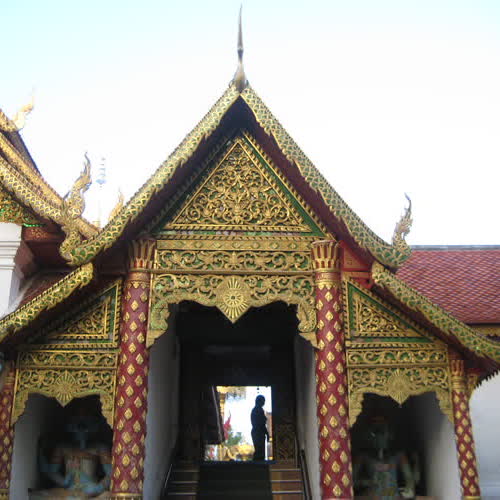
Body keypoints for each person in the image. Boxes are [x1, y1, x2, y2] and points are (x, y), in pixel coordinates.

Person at [250, 395, 269, 461]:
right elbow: (261, 423)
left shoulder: (258, 410)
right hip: (258, 432)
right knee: (259, 451)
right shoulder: (258, 410)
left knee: (260, 451)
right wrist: (266, 433)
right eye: (263, 401)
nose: (264, 403)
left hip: (258, 432)